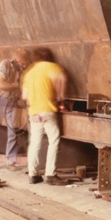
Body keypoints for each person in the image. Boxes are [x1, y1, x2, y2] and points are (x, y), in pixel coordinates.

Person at [21, 47, 68, 185]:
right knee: (53, 140)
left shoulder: (29, 73)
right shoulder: (53, 67)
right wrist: (60, 98)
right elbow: (63, 81)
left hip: (34, 112)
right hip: (47, 110)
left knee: (35, 142)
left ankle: (32, 174)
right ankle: (50, 174)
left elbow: (24, 96)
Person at [0, 48, 30, 172]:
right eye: (22, 63)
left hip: (12, 102)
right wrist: (18, 85)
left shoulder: (23, 71)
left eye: (25, 63)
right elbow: (2, 85)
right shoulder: (5, 64)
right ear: (15, 60)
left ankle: (10, 161)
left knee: (13, 131)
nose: (24, 65)